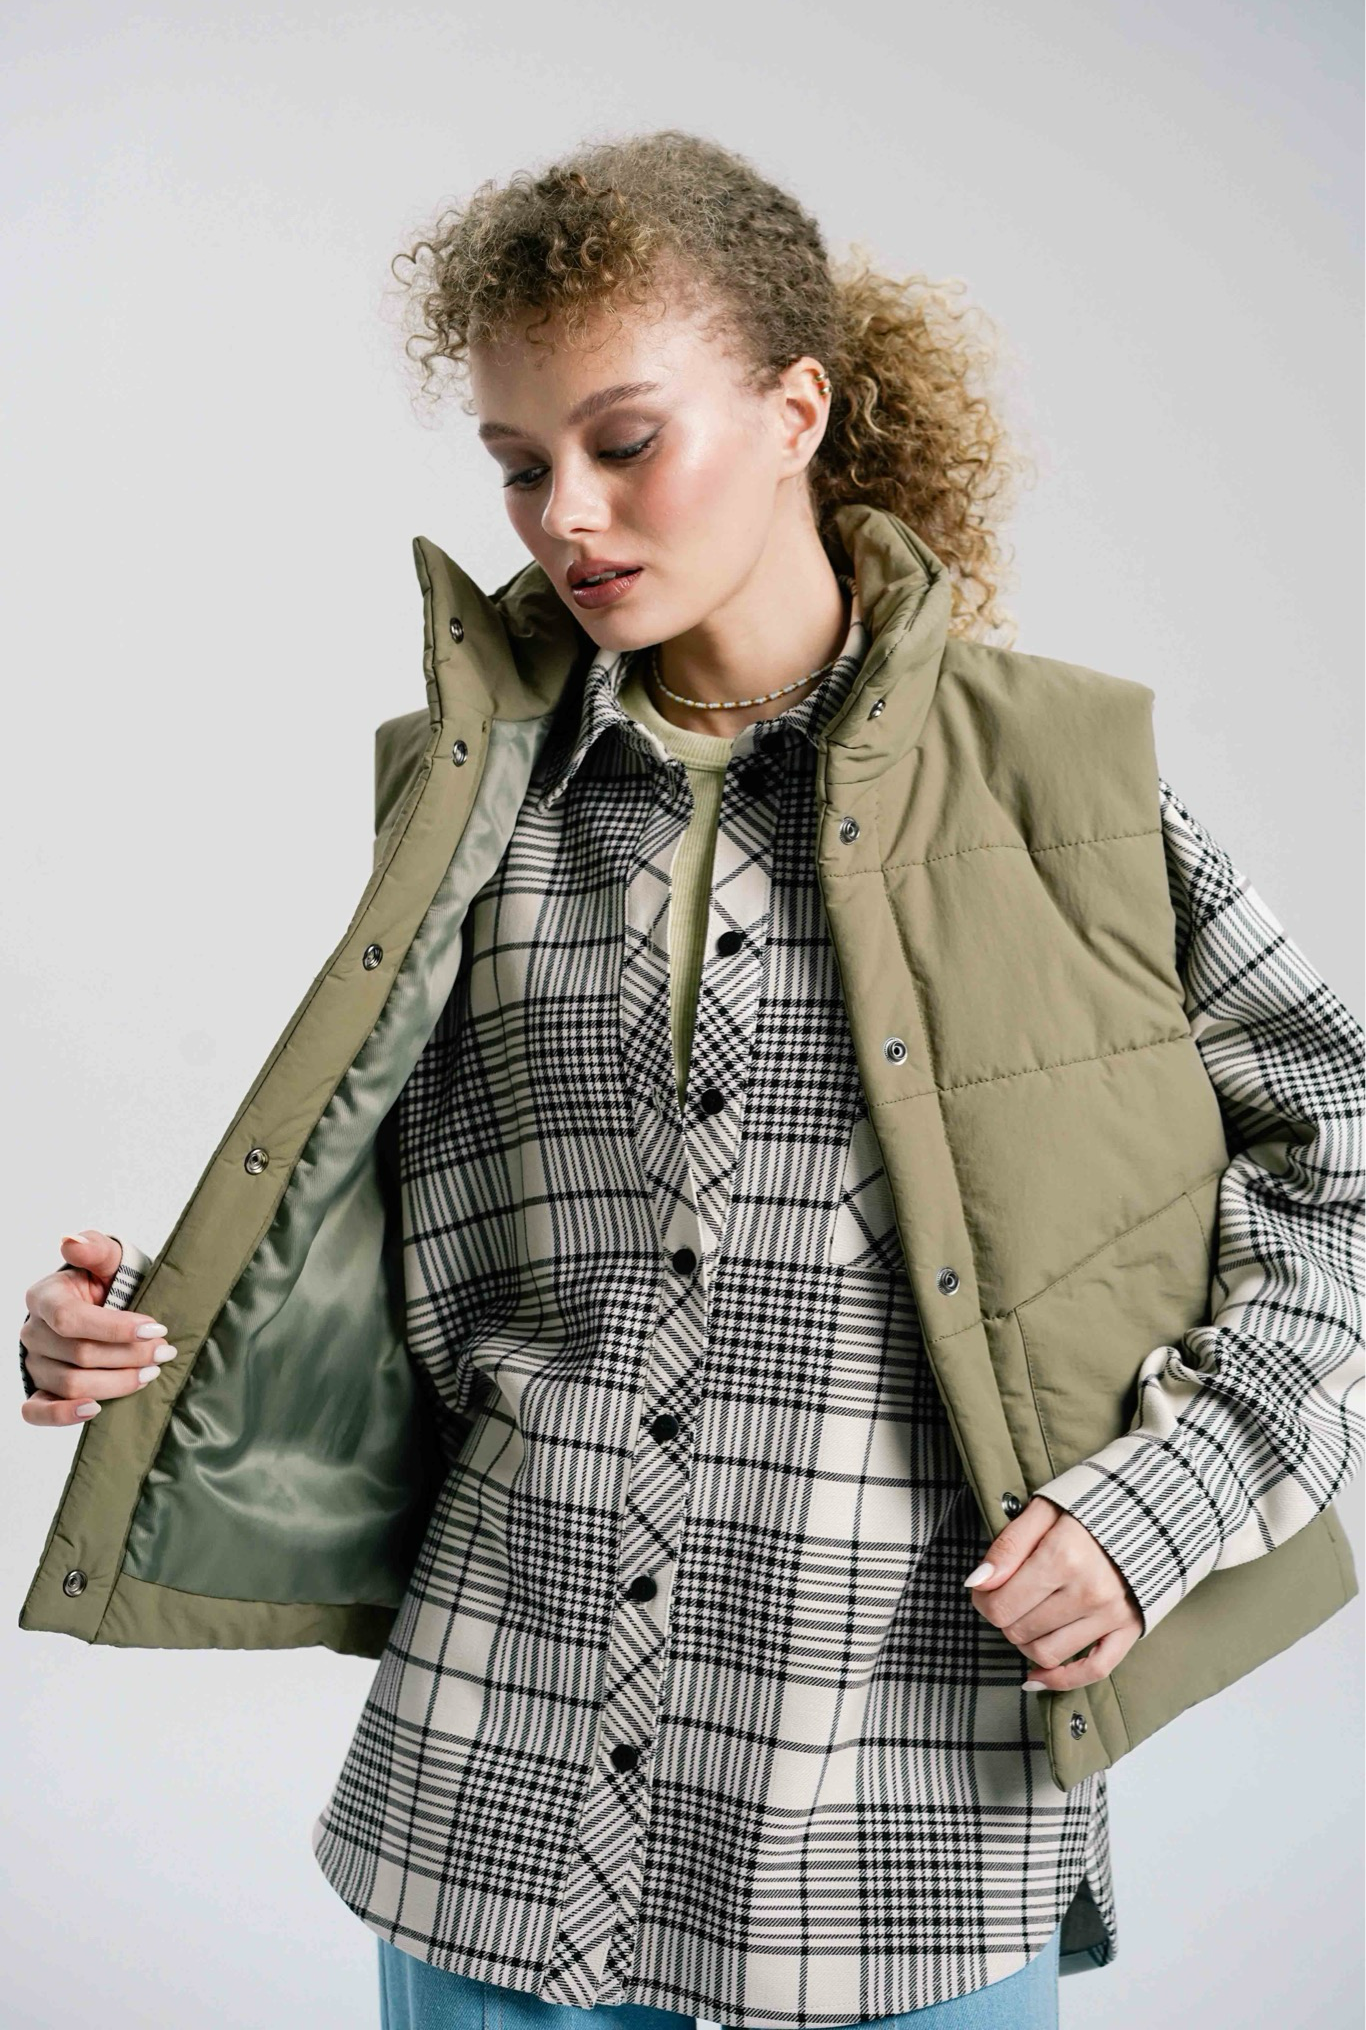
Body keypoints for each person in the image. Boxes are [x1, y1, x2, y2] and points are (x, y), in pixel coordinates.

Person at [18, 130, 1363, 2030]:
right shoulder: (467, 794)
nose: (563, 515)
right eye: (516, 464)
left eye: (624, 441)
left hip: (900, 1819)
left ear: (795, 410)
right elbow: (377, 1233)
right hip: (492, 1800)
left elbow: (1340, 1159)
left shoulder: (1057, 782)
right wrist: (140, 1328)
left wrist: (1168, 1500)